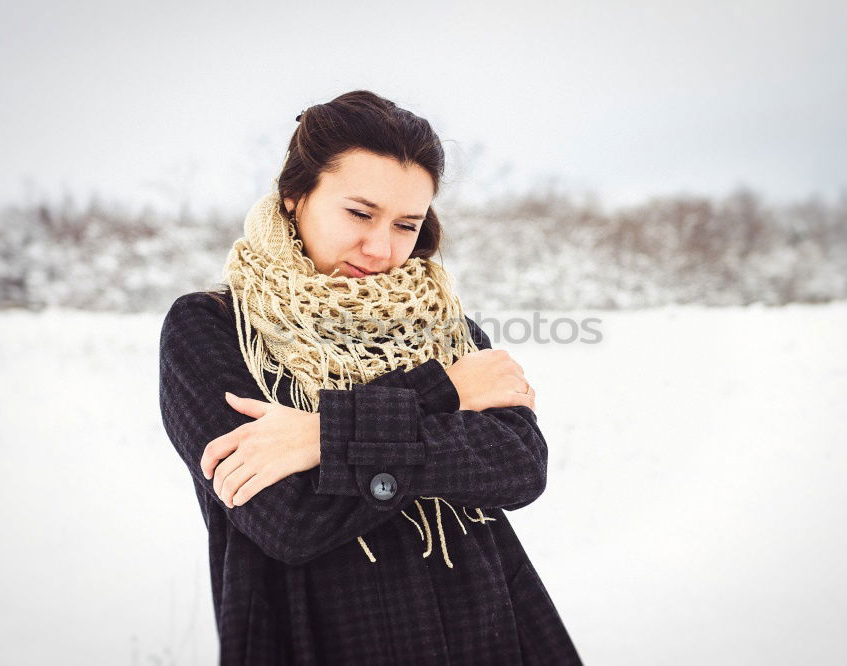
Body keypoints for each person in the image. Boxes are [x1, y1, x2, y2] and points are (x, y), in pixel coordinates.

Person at [158, 90, 582, 665]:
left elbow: (518, 466)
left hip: (491, 631)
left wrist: (321, 437)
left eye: (407, 224)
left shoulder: (444, 326)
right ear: (294, 195)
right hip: (321, 639)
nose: (382, 248)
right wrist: (444, 393)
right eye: (360, 213)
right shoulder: (212, 327)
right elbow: (288, 519)